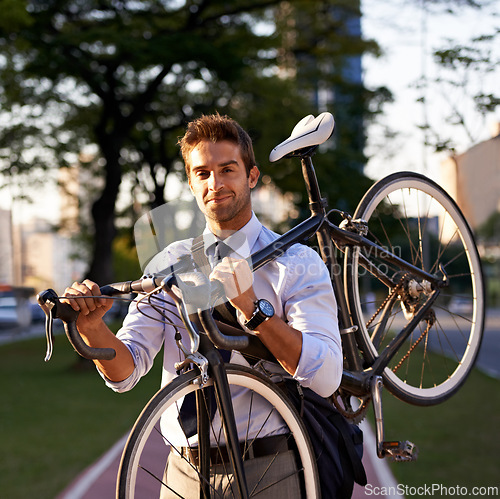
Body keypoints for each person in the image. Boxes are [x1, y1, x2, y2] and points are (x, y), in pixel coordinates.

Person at [62, 113, 342, 497]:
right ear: (191, 183)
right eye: (203, 173)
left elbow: (326, 377)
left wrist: (252, 309)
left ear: (253, 176)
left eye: (228, 169)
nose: (216, 183)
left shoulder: (296, 261)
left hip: (270, 467)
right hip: (183, 473)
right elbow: (126, 372)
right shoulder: (168, 264)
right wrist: (93, 330)